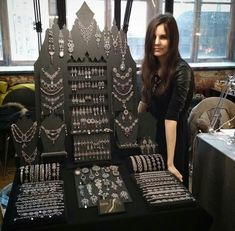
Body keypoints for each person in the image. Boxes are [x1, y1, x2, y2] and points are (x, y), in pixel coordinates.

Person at [137, 13, 195, 188]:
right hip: (153, 134)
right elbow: (144, 102)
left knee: (171, 186)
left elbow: (171, 118)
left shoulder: (181, 71)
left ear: (173, 40)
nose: (156, 42)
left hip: (174, 136)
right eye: (153, 36)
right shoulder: (152, 67)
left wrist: (170, 162)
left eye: (163, 37)